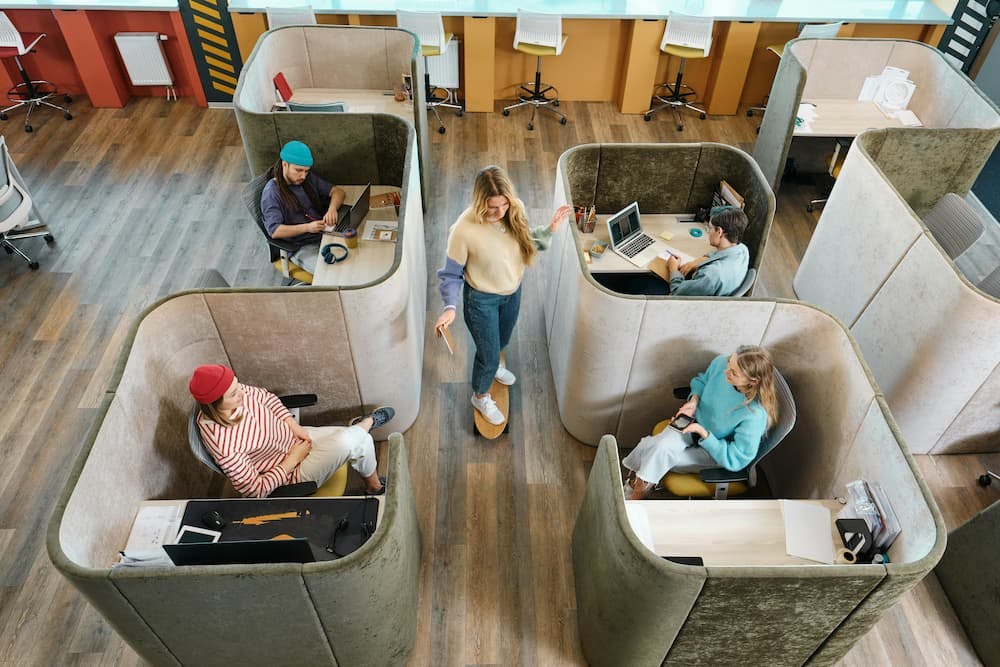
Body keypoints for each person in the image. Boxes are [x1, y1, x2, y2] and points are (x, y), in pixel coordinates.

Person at [434, 165, 573, 425]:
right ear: (479, 201)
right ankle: (480, 394)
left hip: (512, 292)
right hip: (481, 301)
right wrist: (450, 307)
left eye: (503, 205)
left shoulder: (513, 208)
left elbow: (525, 241)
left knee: (502, 339)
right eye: (493, 207)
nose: (500, 213)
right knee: (487, 355)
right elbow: (451, 274)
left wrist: (550, 229)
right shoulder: (463, 230)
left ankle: (495, 367)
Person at [189, 364, 393, 498]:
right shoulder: (225, 446)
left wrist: (294, 426)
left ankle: (374, 487)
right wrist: (293, 460)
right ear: (215, 406)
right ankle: (365, 423)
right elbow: (255, 490)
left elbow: (267, 398)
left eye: (237, 385)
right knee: (350, 441)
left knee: (359, 440)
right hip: (290, 472)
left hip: (295, 438)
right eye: (234, 393)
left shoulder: (234, 390)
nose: (242, 392)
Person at [622, 345, 778, 500]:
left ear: (752, 381)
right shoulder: (721, 363)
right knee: (660, 449)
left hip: (716, 450)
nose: (726, 371)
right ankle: (636, 494)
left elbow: (736, 458)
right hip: (692, 424)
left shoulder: (755, 415)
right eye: (730, 363)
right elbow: (702, 382)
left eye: (734, 372)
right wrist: (694, 401)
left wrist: (703, 433)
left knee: (656, 453)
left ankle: (633, 495)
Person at [260, 140, 346, 275]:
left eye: (306, 171)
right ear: (284, 164)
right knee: (331, 274)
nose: (303, 176)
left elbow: (338, 192)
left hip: (324, 234)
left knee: (352, 260)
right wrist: (307, 228)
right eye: (298, 170)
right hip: (300, 246)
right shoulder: (271, 193)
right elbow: (275, 231)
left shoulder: (306, 178)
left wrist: (332, 209)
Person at [666, 205, 750, 296]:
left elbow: (677, 293)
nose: (708, 232)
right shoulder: (742, 250)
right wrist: (701, 260)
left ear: (719, 232)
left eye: (710, 228)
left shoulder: (710, 276)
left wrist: (673, 269)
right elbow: (720, 254)